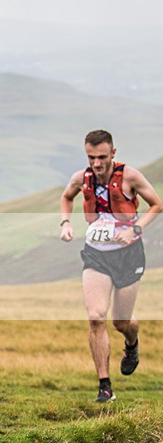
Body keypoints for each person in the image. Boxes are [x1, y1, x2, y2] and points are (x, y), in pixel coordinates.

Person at [60, 130, 161, 402]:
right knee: (96, 316)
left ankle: (131, 343)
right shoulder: (81, 178)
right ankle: (104, 386)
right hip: (96, 254)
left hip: (128, 255)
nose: (96, 163)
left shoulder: (130, 176)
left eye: (102, 157)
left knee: (121, 321)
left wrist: (134, 229)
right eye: (91, 157)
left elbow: (156, 205)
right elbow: (67, 197)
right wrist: (65, 223)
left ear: (113, 153)